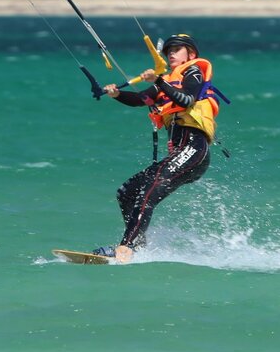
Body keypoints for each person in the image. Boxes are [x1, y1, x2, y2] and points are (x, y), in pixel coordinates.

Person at [95, 33, 223, 264]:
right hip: (180, 153)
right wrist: (115, 94)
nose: (171, 53)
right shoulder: (165, 80)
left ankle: (126, 247)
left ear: (191, 55)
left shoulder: (193, 72)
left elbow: (186, 100)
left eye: (177, 49)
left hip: (194, 148)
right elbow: (141, 99)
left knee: (149, 190)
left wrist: (159, 80)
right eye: (169, 50)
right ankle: (139, 245)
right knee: (127, 192)